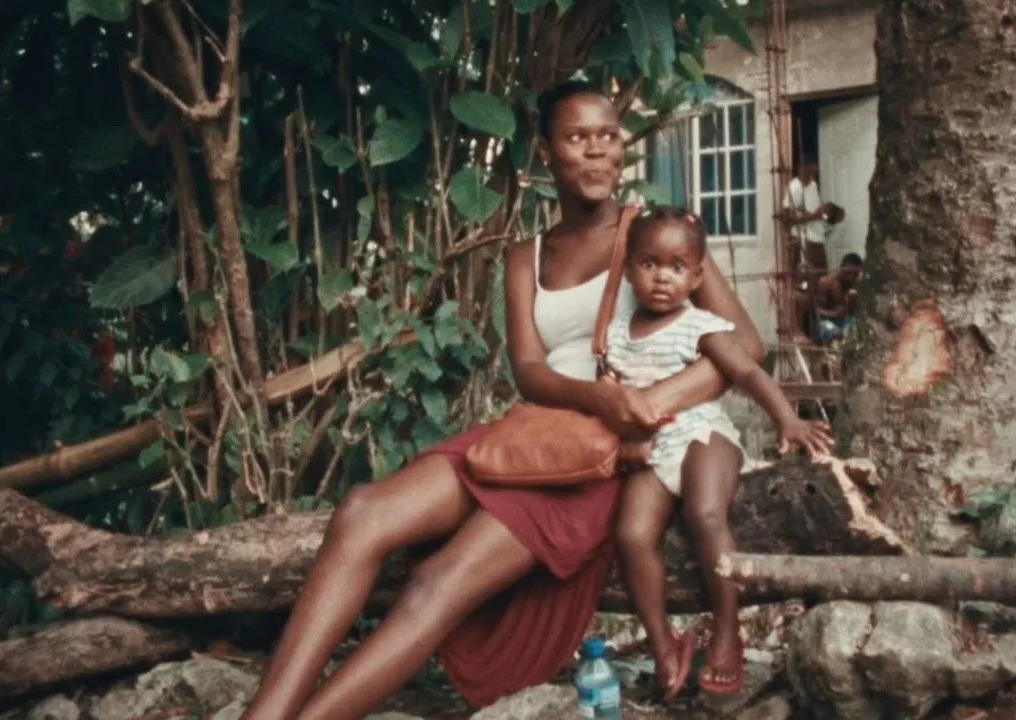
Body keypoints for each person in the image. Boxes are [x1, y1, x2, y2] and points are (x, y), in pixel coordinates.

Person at [238, 80, 767, 720]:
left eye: (608, 138)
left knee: (437, 583)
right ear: (547, 153)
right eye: (578, 139)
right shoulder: (525, 256)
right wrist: (599, 396)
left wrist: (650, 401)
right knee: (360, 513)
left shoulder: (654, 234)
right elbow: (529, 371)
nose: (597, 154)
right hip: (537, 432)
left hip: (600, 461)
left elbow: (745, 344)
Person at [608, 207, 834, 701]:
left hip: (704, 436)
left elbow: (750, 373)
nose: (662, 277)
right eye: (649, 264)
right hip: (652, 449)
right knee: (630, 534)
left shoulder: (703, 326)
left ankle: (728, 630)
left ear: (695, 275)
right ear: (628, 269)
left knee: (706, 511)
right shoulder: (616, 334)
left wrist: (786, 419)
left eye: (676, 266)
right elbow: (611, 394)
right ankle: (663, 640)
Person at [781, 156, 840, 271]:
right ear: (800, 169)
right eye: (809, 173)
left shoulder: (813, 185)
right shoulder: (794, 187)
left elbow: (815, 212)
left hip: (817, 239)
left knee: (821, 279)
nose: (811, 177)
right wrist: (815, 216)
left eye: (813, 174)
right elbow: (787, 219)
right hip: (804, 241)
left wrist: (828, 216)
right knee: (807, 281)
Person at [813, 252, 862, 345]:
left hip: (845, 322)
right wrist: (834, 314)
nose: (851, 277)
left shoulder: (858, 284)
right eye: (848, 272)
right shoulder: (827, 282)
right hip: (824, 324)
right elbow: (817, 312)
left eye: (855, 274)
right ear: (841, 268)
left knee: (858, 330)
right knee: (835, 332)